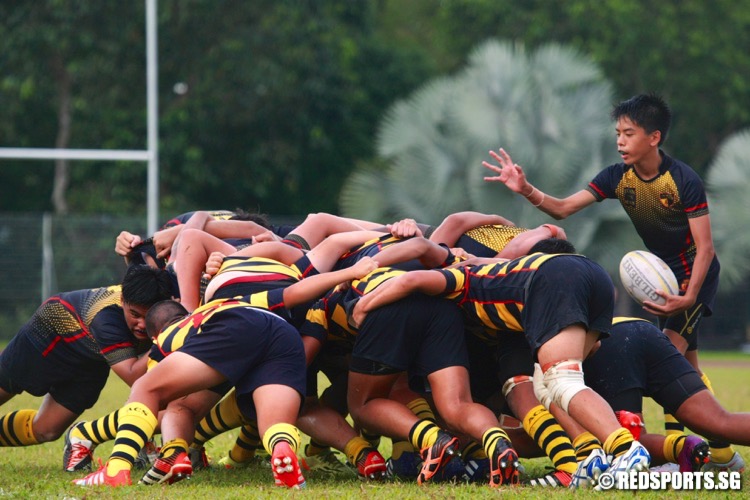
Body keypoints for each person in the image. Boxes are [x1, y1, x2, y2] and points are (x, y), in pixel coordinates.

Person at [482, 93, 737, 470]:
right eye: (618, 132)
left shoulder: (683, 180)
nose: (620, 141)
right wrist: (526, 189)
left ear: (654, 137)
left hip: (693, 276)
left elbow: (706, 250)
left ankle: (690, 452)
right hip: (664, 278)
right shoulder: (618, 178)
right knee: (689, 366)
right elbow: (564, 208)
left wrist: (689, 297)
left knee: (669, 352)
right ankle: (719, 454)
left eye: (629, 133)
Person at [73, 257, 379, 488]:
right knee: (274, 422)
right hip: (279, 332)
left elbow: (157, 402)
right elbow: (292, 294)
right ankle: (282, 448)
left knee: (147, 390)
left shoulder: (169, 339)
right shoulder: (232, 301)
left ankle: (119, 468)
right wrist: (350, 272)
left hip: (231, 332)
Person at [353, 252, 653, 488]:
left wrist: (364, 306)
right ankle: (590, 455)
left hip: (554, 280)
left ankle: (626, 449)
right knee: (548, 386)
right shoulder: (494, 270)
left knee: (563, 381)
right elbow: (594, 348)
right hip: (593, 275)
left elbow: (410, 281)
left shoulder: (462, 278)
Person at [0, 265, 172, 453]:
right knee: (5, 387)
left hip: (92, 360)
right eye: (135, 315)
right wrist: (166, 337)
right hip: (50, 333)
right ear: (123, 300)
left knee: (47, 430)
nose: (141, 324)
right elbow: (133, 376)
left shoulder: (165, 298)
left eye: (148, 318)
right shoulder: (106, 319)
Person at [583, 317, 750, 473]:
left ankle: (684, 447)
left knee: (629, 446)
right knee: (719, 421)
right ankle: (685, 448)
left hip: (607, 342)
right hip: (645, 331)